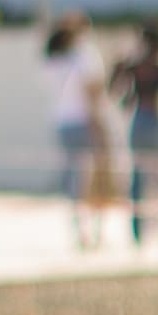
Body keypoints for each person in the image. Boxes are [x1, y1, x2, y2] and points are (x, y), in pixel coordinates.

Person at [109, 23, 158, 249]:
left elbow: (115, 91)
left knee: (139, 177)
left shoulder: (135, 63)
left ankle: (137, 231)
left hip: (139, 121)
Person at [42, 16, 108, 250]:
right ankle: (92, 233)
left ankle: (80, 231)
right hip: (84, 123)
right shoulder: (84, 56)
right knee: (92, 180)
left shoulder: (53, 60)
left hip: (62, 123)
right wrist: (99, 126)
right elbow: (93, 94)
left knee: (74, 180)